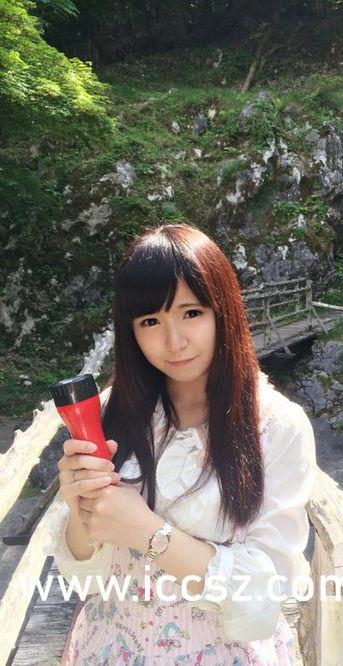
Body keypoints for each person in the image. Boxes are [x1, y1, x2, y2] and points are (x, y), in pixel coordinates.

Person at [50, 223, 317, 665]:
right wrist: (81, 505)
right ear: (131, 332)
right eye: (150, 321)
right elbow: (84, 575)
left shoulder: (276, 427)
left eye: (191, 313)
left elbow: (269, 593)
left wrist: (147, 533)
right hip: (109, 648)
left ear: (223, 311)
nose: (174, 342)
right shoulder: (113, 412)